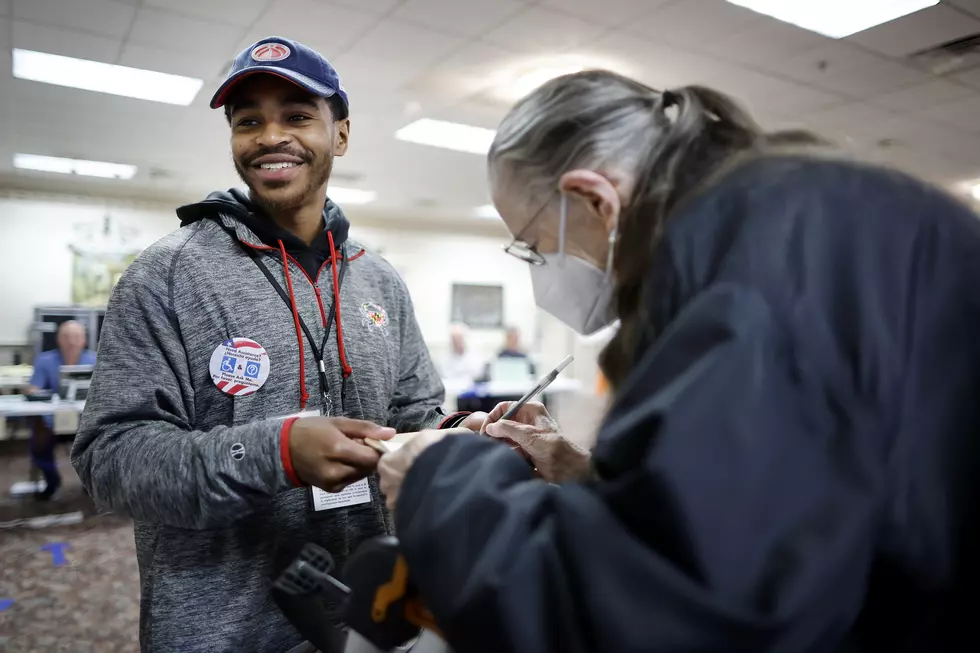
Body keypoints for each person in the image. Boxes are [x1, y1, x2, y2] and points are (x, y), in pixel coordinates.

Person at [377, 70, 980, 651]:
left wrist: (443, 478)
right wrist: (590, 475)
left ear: (592, 200)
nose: (538, 272)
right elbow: (791, 507)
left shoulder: (766, 266)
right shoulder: (798, 218)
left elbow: (667, 609)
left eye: (532, 248)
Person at [72, 36, 482, 653]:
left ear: (340, 134)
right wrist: (276, 453)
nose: (270, 136)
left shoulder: (379, 281)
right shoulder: (168, 274)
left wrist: (462, 435)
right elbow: (110, 461)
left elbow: (412, 419)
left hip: (371, 614)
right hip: (223, 630)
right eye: (248, 121)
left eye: (296, 116)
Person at [26, 320, 96, 499]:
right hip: (52, 421)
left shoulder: (95, 360)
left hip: (85, 421)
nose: (71, 341)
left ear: (84, 340)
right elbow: (33, 389)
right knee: (38, 438)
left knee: (104, 438)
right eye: (66, 336)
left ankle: (91, 483)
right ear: (58, 339)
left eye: (76, 337)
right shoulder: (44, 360)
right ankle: (52, 480)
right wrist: (40, 394)